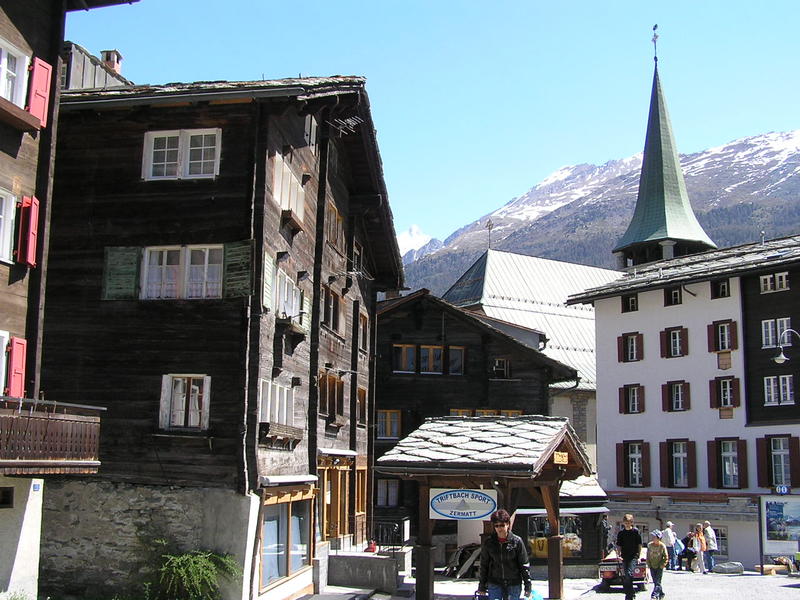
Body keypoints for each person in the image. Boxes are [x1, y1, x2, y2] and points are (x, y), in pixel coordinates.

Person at [477, 509, 532, 600]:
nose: (499, 528)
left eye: (502, 525)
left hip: (514, 583)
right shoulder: (489, 543)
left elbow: (524, 565)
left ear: (508, 524)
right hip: (495, 582)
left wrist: (528, 585)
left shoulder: (517, 541)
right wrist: (482, 585)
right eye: (496, 525)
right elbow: (484, 565)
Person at [616, 513, 643, 600]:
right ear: (623, 522)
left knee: (629, 574)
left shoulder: (636, 532)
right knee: (626, 576)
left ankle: (628, 596)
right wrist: (618, 555)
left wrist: (639, 556)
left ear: (632, 522)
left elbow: (639, 544)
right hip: (624, 556)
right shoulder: (621, 533)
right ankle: (631, 593)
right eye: (625, 522)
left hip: (633, 556)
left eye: (629, 522)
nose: (627, 524)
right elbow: (619, 545)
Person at [646, 530, 668, 599]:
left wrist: (663, 564)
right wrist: (648, 564)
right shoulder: (649, 545)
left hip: (659, 566)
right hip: (652, 565)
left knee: (657, 581)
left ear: (659, 538)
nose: (653, 538)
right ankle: (661, 593)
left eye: (654, 537)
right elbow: (648, 555)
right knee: (655, 581)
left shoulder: (662, 546)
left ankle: (654, 595)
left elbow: (666, 556)